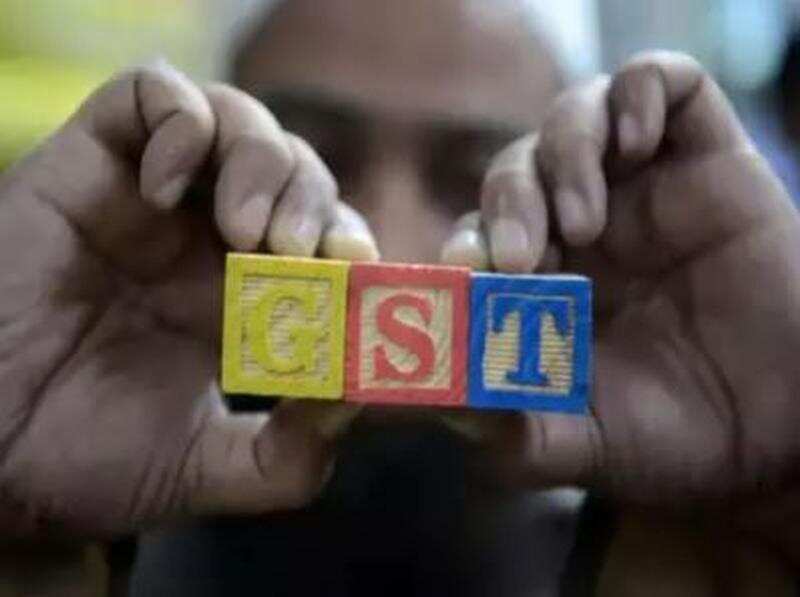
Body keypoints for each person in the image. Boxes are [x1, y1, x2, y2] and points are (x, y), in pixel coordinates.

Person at [1, 0, 799, 593]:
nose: (388, 249)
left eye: (473, 177)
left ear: (586, 216)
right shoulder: (65, 520)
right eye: (312, 160)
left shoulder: (722, 534)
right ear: (195, 185)